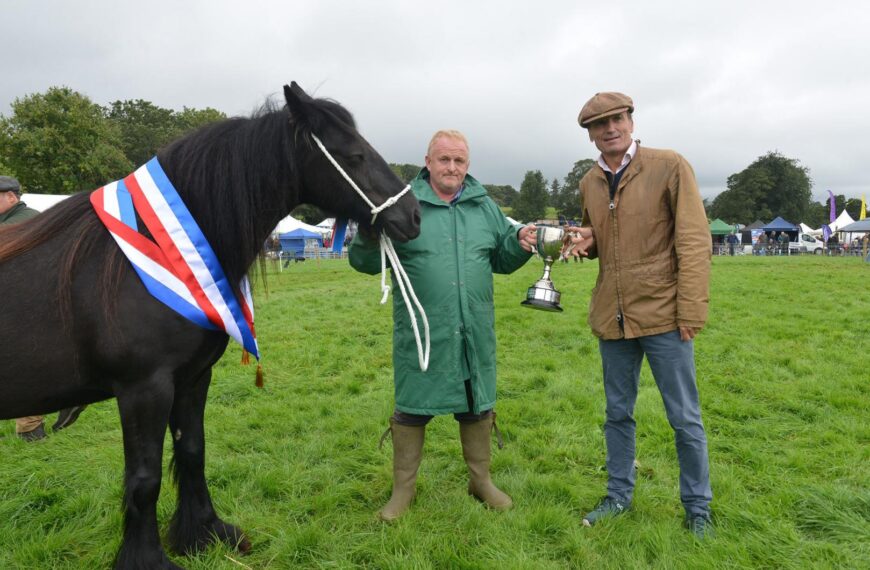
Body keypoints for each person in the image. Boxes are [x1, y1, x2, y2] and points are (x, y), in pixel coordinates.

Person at [348, 130, 536, 521]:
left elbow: (501, 258)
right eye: (445, 160)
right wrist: (368, 234)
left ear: (468, 165)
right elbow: (366, 263)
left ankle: (480, 481)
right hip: (423, 331)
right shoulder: (404, 203)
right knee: (412, 408)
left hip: (474, 328)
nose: (452, 168)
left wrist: (519, 244)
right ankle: (403, 491)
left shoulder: (484, 206)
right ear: (428, 162)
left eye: (460, 161)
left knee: (476, 406)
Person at [563, 93, 714, 538]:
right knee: (617, 414)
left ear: (631, 121)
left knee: (684, 417)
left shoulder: (669, 166)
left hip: (667, 315)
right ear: (590, 133)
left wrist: (691, 308)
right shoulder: (589, 181)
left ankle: (697, 507)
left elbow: (693, 240)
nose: (610, 128)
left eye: (617, 119)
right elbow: (605, 240)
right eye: (599, 124)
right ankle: (618, 495)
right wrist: (586, 241)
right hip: (613, 317)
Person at [0, 175, 87, 441]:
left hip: (31, 304)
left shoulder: (23, 220)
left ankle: (33, 427)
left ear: (11, 197)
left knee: (25, 363)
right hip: (25, 302)